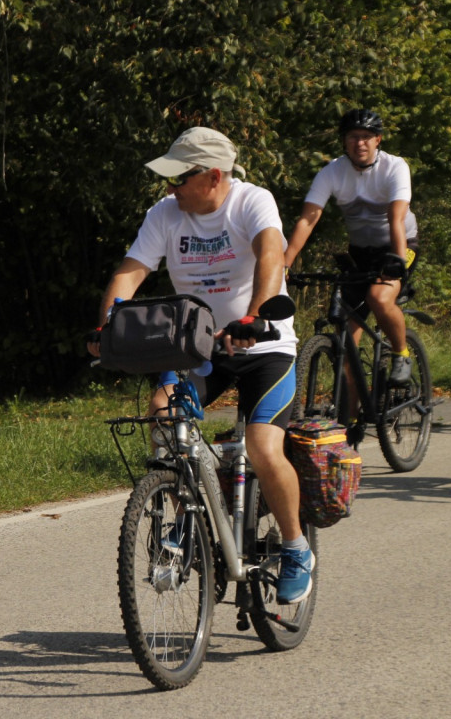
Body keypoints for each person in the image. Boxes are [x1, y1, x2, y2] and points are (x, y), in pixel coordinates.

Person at [87, 127, 313, 605]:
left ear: (213, 176)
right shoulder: (165, 214)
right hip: (199, 350)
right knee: (162, 412)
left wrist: (254, 317)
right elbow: (130, 273)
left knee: (263, 446)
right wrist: (107, 328)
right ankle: (184, 521)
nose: (171, 188)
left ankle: (296, 549)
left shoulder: (252, 202)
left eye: (179, 178)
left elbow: (271, 256)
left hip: (262, 347)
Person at [285, 109, 417, 386]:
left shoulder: (395, 167)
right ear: (344, 140)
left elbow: (396, 218)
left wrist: (397, 261)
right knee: (346, 345)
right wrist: (284, 264)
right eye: (353, 136)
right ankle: (350, 411)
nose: (360, 143)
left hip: (398, 245)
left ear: (378, 139)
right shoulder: (332, 172)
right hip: (360, 251)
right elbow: (308, 220)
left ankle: (401, 354)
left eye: (367, 136)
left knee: (379, 298)